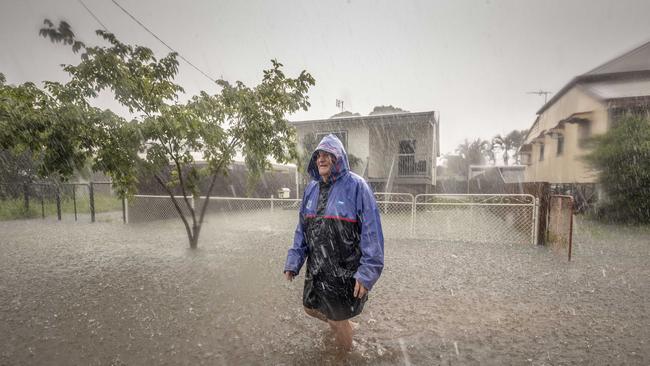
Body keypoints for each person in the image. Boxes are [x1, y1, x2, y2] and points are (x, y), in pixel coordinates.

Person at [284, 133, 384, 350]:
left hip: (344, 270)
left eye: (328, 155)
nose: (322, 158)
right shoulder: (311, 188)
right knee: (310, 308)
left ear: (339, 158)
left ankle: (344, 357)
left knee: (337, 321)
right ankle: (345, 326)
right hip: (317, 267)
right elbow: (302, 229)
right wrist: (294, 260)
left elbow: (371, 232)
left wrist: (367, 272)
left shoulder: (357, 187)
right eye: (319, 154)